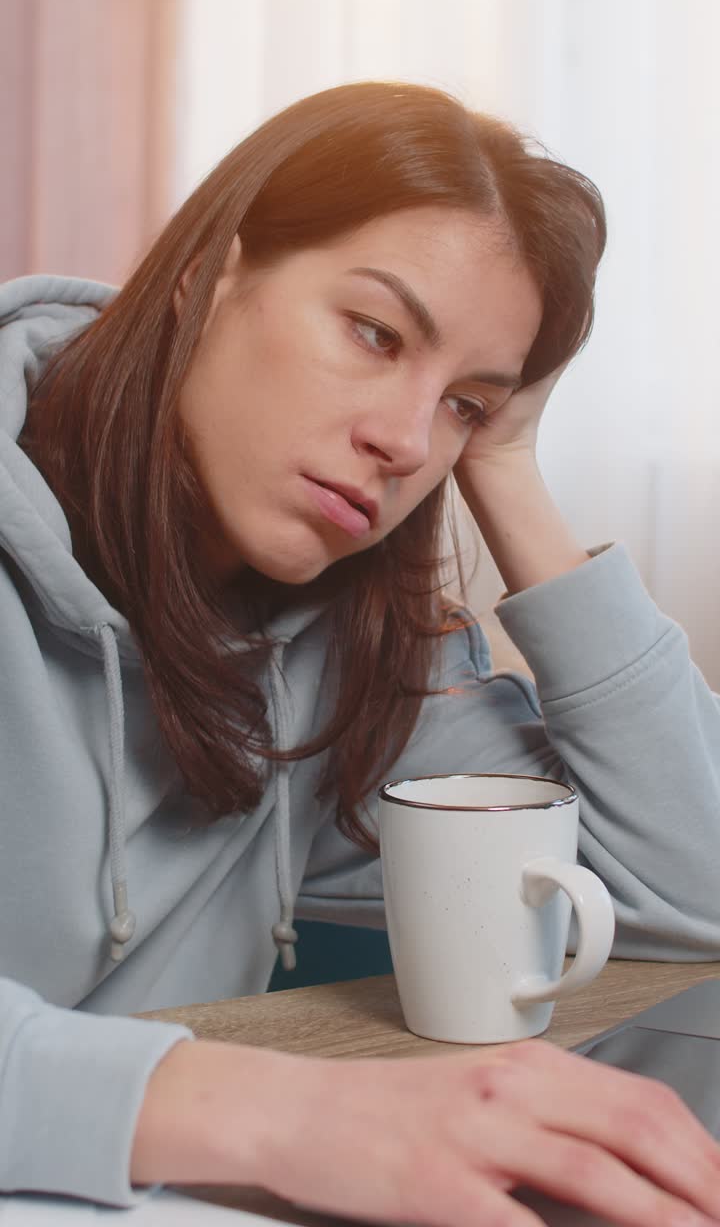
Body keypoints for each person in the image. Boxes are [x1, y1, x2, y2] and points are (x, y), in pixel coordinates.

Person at [1, 80, 720, 1227]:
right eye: (375, 333)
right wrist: (289, 1114)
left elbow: (699, 891)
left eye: (463, 405)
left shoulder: (353, 657)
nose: (403, 439)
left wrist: (512, 468)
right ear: (211, 275)